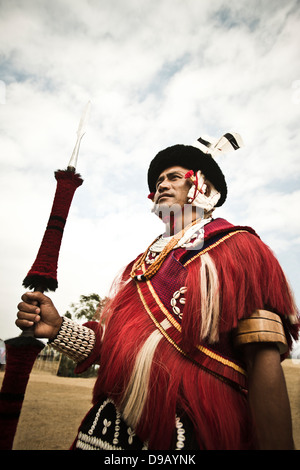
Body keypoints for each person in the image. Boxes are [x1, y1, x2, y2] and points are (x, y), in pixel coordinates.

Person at [16, 134, 299, 450]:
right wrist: (57, 329)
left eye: (174, 177)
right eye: (159, 180)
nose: (163, 185)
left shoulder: (239, 249)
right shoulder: (137, 267)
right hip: (108, 432)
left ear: (203, 188)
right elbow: (111, 350)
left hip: (194, 432)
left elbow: (262, 357)